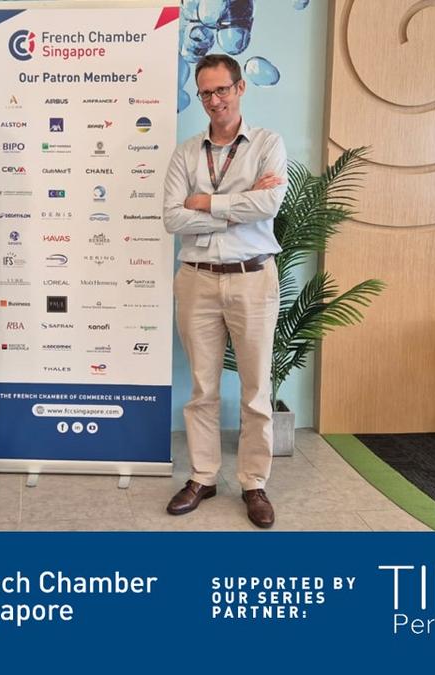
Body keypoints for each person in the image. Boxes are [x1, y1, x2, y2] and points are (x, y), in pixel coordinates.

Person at [161, 54, 286, 528]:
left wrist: (205, 202)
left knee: (255, 390)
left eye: (222, 90)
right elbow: (173, 218)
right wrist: (236, 206)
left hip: (253, 276)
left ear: (240, 88)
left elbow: (268, 203)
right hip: (197, 277)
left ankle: (254, 483)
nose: (214, 100)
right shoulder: (186, 153)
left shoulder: (268, 143)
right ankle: (203, 476)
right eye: (206, 93)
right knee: (202, 389)